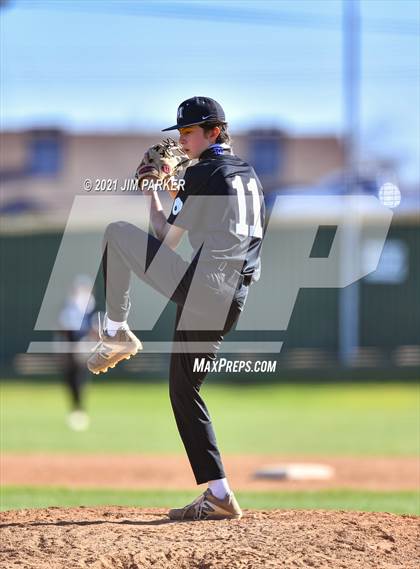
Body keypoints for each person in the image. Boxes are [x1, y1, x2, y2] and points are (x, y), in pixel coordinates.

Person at [87, 96, 265, 520]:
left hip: (205, 288)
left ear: (215, 132)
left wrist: (153, 190)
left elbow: (167, 238)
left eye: (189, 133)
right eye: (181, 133)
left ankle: (116, 330)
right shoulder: (248, 174)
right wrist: (177, 187)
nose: (182, 142)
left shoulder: (204, 171)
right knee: (184, 390)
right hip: (231, 297)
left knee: (116, 234)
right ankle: (220, 495)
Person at [58, 275, 96, 431]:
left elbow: (90, 327)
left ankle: (79, 408)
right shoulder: (71, 306)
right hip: (71, 347)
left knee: (79, 378)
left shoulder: (88, 305)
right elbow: (66, 329)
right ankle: (76, 408)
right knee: (71, 379)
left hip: (82, 346)